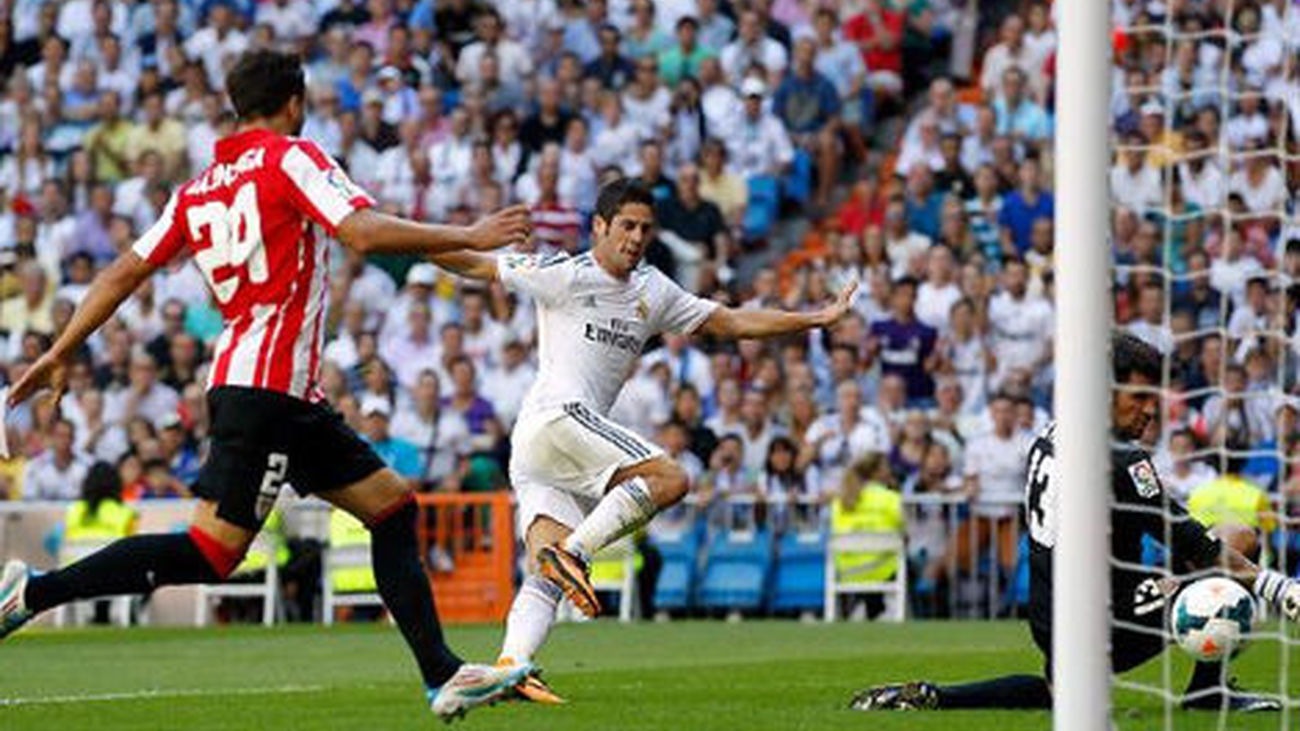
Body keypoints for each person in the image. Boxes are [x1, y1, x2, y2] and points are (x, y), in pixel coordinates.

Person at [0, 50, 535, 722]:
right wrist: (472, 231)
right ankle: (33, 592)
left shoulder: (198, 189)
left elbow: (119, 274)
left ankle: (443, 672)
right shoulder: (292, 157)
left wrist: (59, 350)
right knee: (210, 551)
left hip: (278, 391)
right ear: (293, 102)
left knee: (393, 507)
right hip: (268, 390)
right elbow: (363, 233)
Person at [429, 178, 857, 703]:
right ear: (600, 228)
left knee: (543, 573)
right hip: (555, 418)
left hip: (544, 448)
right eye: (626, 226)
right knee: (671, 478)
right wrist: (424, 238)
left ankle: (510, 668)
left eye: (645, 229)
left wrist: (813, 317)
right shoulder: (564, 273)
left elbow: (730, 320)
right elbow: (473, 265)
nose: (635, 237)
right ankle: (577, 555)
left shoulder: (653, 290)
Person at [850, 334, 1298, 713]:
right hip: (1105, 620)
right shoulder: (1122, 458)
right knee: (1238, 540)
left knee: (1059, 693)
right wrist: (1281, 589)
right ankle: (1207, 692)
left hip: (1049, 617)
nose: (1149, 412)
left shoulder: (1049, 434)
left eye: (1154, 399)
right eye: (1138, 398)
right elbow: (1194, 547)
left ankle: (936, 696)